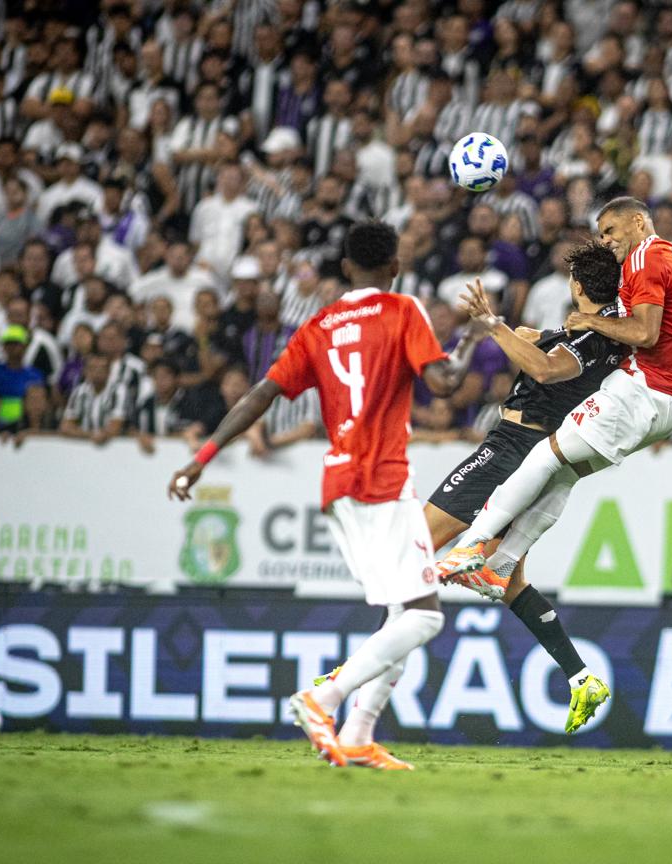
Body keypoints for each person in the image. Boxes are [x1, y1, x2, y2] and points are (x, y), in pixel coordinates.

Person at [168, 222, 477, 770]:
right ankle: (323, 699)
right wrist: (472, 339)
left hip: (338, 482)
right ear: (395, 267)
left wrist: (202, 457)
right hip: (381, 479)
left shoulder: (319, 326)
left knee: (403, 612)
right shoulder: (402, 309)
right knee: (426, 618)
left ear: (345, 267)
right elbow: (444, 384)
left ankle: (358, 734)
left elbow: (261, 394)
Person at [437, 196, 672, 731]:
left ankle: (465, 554)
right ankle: (579, 674)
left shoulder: (629, 281)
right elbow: (553, 340)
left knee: (419, 544)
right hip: (665, 399)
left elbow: (556, 361)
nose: (608, 240)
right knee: (551, 496)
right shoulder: (659, 271)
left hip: (520, 442)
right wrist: (512, 327)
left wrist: (500, 325)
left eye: (610, 230)